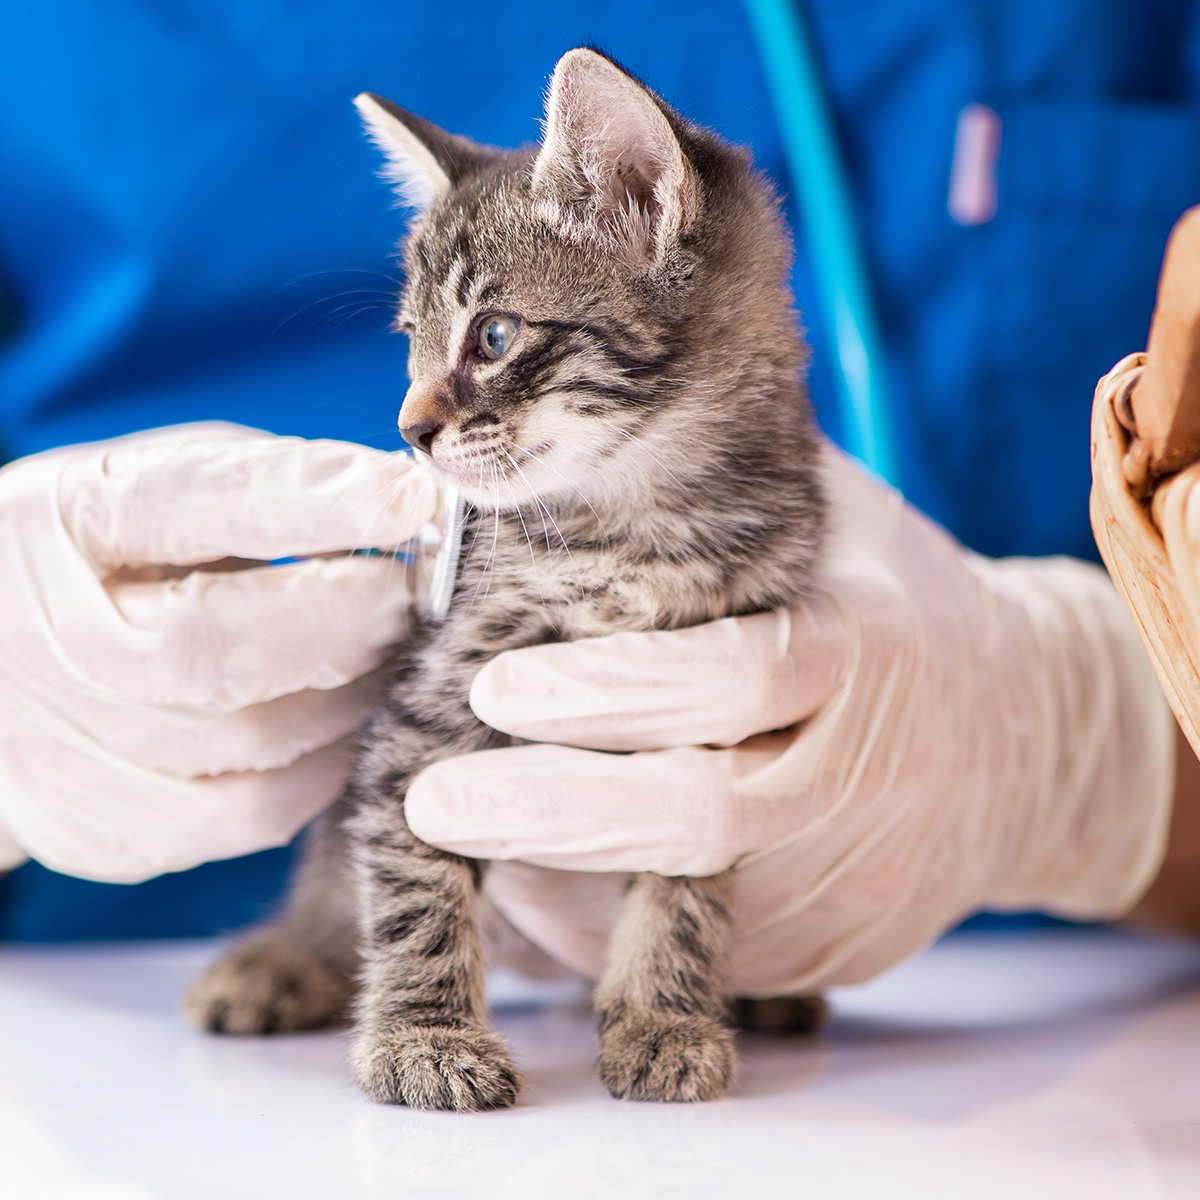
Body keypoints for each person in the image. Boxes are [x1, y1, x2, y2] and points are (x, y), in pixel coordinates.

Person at [1, 0, 1199, 983]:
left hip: (1038, 1032)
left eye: (479, 343)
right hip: (126, 1031)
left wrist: (1089, 753)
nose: (411, 417)